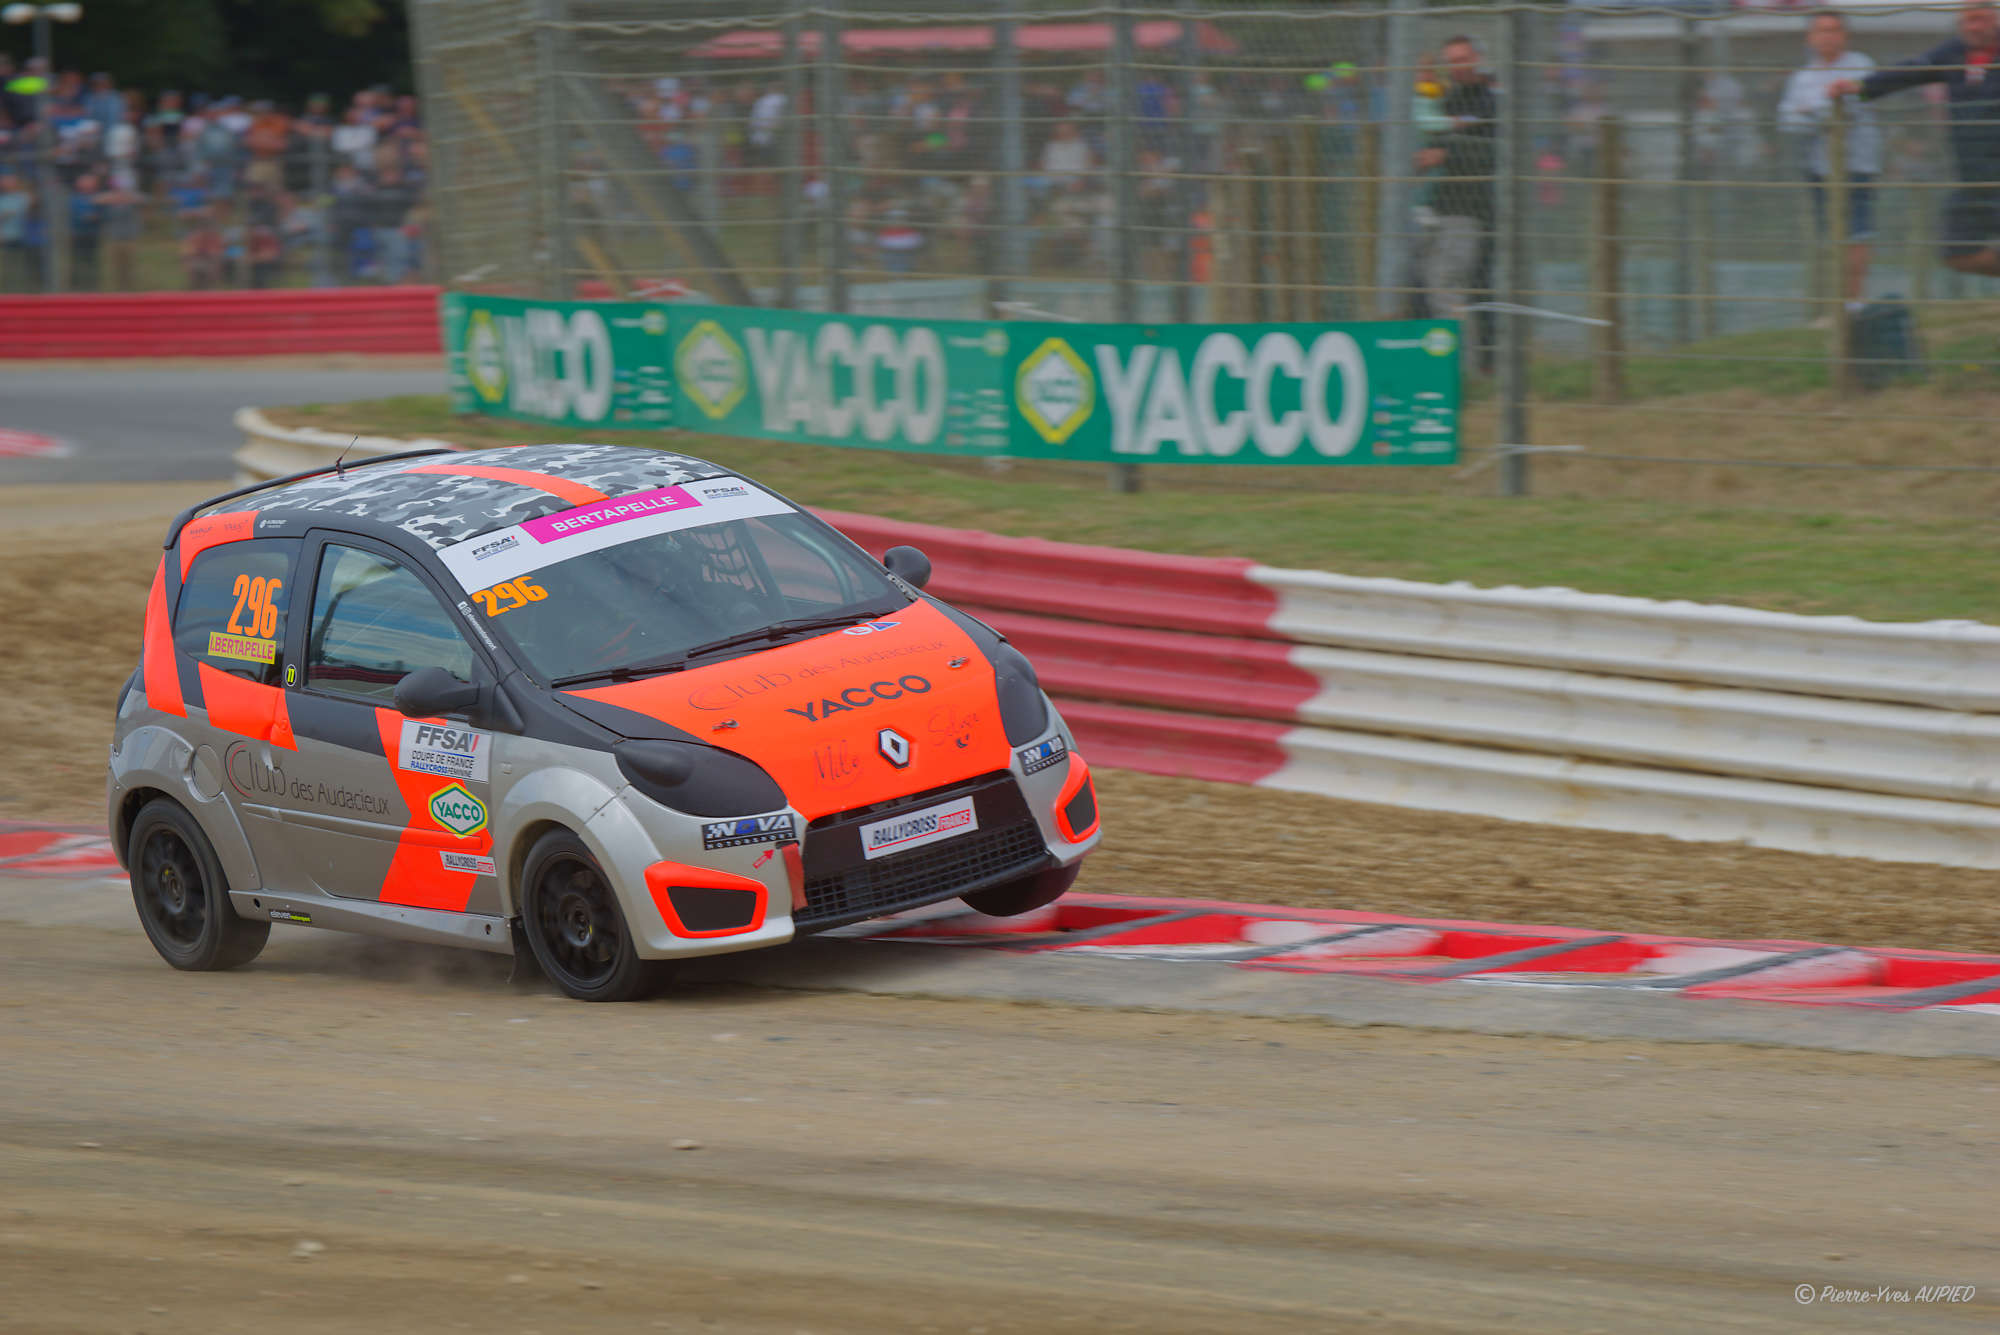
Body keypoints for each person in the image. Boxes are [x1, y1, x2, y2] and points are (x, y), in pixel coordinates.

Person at [1832, 1, 2000, 276]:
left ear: (1994, 19)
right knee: (1956, 252)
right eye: (1968, 20)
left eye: (1980, 19)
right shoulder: (1953, 52)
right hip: (1972, 178)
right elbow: (1911, 71)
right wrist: (1861, 89)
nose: (1974, 26)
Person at [1780, 10, 1881, 306]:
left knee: (1857, 234)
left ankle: (1854, 301)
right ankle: (1836, 304)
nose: (1828, 36)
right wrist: (1823, 108)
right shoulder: (1802, 77)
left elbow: (1850, 109)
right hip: (1819, 167)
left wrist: (1809, 110)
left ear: (1845, 35)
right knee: (1831, 235)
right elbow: (1786, 122)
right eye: (1821, 30)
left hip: (1857, 165)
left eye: (1834, 29)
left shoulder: (1863, 66)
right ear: (1810, 38)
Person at [1414, 36, 1496, 326]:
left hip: (1468, 208)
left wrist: (1445, 152)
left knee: (1447, 284)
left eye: (1462, 59)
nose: (1456, 66)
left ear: (1478, 59)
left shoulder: (1489, 102)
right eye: (1451, 61)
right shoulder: (1444, 100)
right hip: (1436, 207)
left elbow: (1491, 150)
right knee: (1425, 285)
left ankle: (1463, 362)